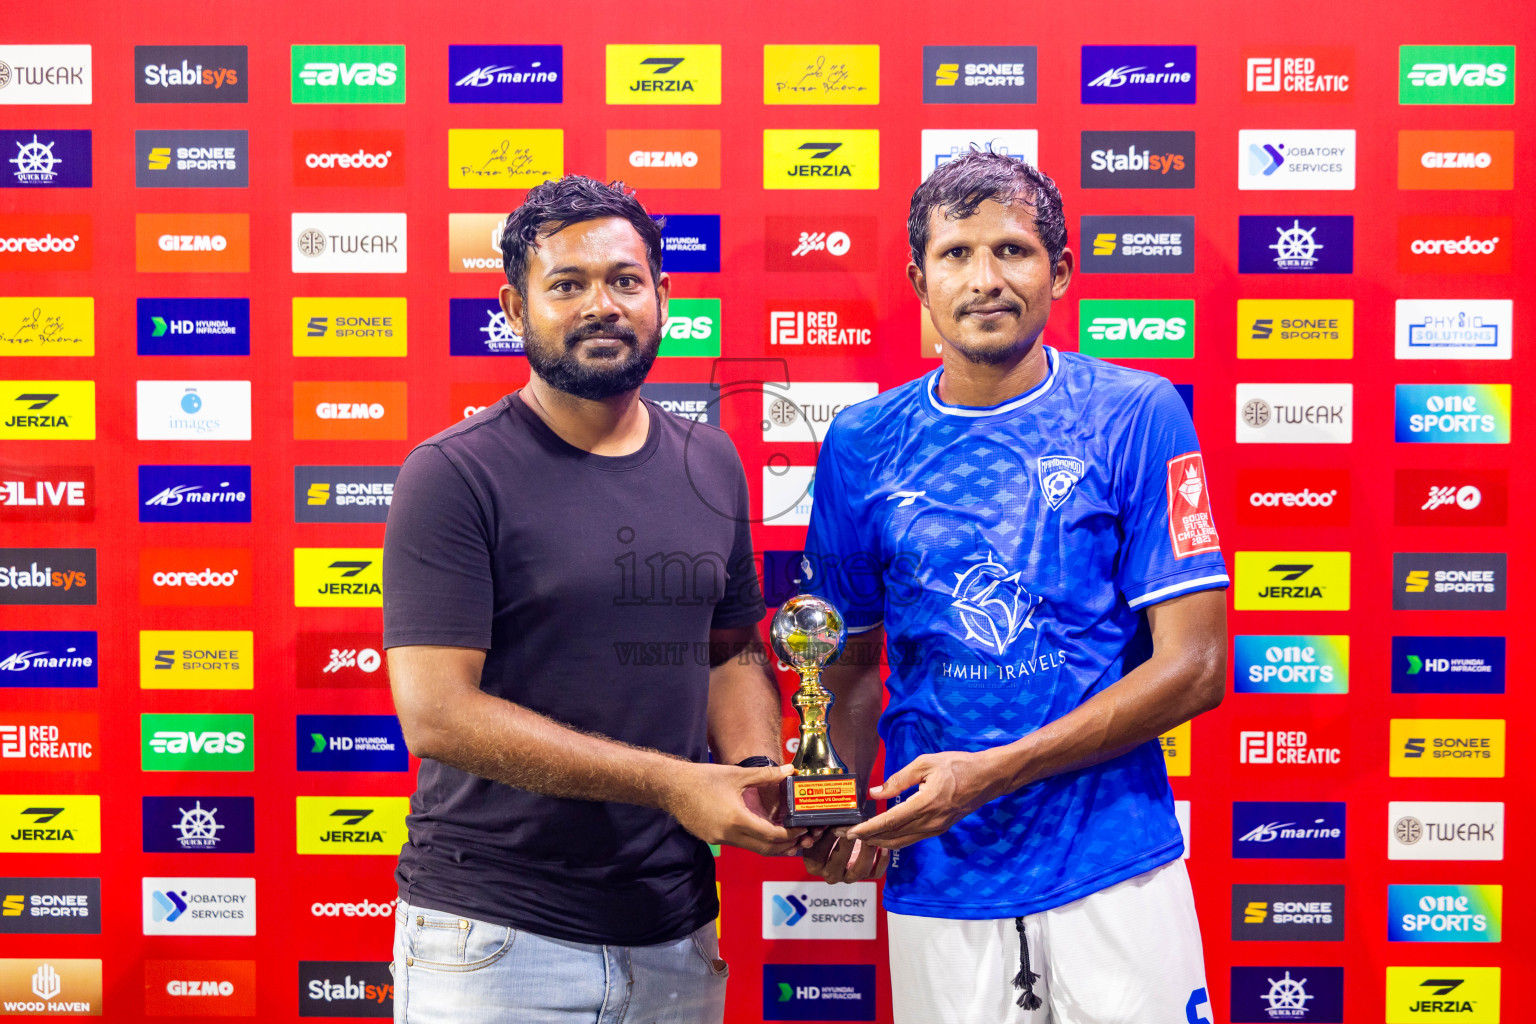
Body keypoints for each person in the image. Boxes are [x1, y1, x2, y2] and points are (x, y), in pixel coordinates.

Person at [799, 150, 1228, 1024]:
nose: (985, 279)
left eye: (1013, 251)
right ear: (919, 279)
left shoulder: (1136, 413)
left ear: (1061, 271)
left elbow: (1198, 666)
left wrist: (990, 773)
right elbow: (842, 664)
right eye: (956, 254)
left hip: (1114, 860)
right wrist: (832, 797)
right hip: (939, 865)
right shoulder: (861, 442)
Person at [382, 175, 801, 1024]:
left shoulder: (711, 460)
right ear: (513, 306)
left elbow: (730, 653)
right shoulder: (454, 474)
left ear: (662, 296)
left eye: (623, 279)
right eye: (566, 284)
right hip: (496, 943)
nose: (600, 305)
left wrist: (755, 774)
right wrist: (673, 783)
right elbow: (435, 714)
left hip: (676, 933)